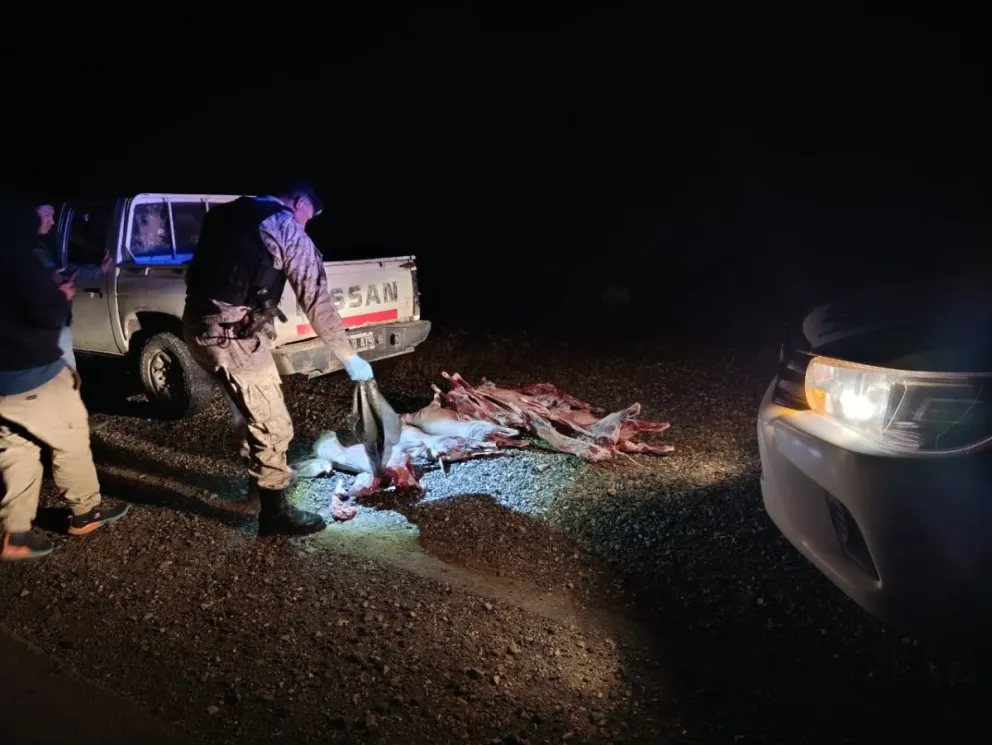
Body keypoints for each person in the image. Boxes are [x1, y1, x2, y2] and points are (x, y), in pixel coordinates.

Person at [182, 181, 374, 537]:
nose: (305, 225)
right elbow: (316, 300)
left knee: (247, 412)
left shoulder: (225, 213)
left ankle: (255, 490)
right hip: (232, 338)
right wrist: (349, 356)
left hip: (198, 326)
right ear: (299, 203)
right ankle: (274, 516)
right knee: (273, 424)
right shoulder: (283, 225)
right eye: (308, 217)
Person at [1, 191, 129, 560]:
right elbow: (45, 312)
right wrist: (61, 294)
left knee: (16, 448)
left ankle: (16, 534)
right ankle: (86, 511)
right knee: (71, 438)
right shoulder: (19, 258)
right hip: (34, 376)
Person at [33, 202, 113, 431]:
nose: (52, 220)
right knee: (63, 372)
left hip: (51, 321)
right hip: (50, 322)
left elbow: (60, 272)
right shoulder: (32, 249)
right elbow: (60, 277)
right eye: (47, 214)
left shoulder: (37, 246)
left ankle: (67, 420)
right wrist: (97, 273)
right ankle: (71, 423)